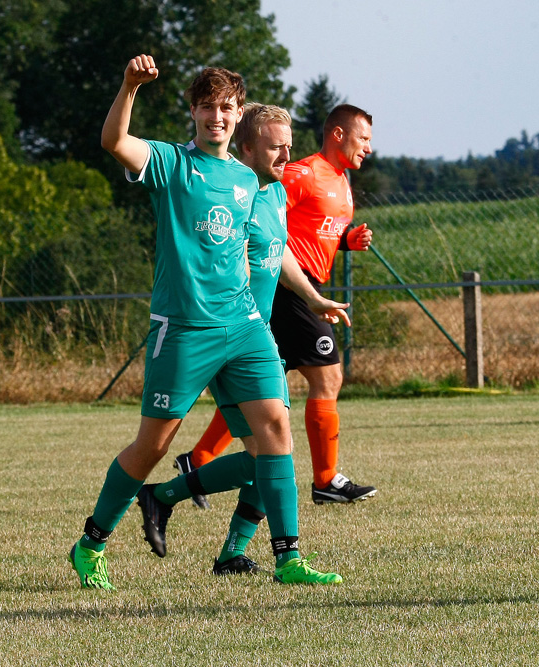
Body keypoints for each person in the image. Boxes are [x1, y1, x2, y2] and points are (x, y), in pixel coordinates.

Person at [68, 55, 343, 590]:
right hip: (185, 330)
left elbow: (270, 248)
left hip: (244, 328)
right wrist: (128, 87)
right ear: (192, 111)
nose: (217, 115)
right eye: (207, 106)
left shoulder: (250, 181)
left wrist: (311, 297)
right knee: (154, 447)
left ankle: (287, 557)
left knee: (275, 433)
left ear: (238, 114)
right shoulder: (172, 163)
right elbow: (113, 142)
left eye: (226, 107)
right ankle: (91, 543)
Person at [143, 102, 352, 575]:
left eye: (289, 147)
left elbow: (278, 256)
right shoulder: (234, 192)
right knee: (273, 450)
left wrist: (313, 298)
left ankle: (218, 540)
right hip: (228, 337)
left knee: (269, 452)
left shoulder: (275, 193)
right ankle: (277, 554)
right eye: (277, 147)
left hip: (254, 338)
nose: (286, 156)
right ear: (246, 146)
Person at [178, 104, 377, 506]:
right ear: (338, 135)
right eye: (364, 138)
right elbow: (261, 221)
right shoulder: (303, 173)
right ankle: (325, 480)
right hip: (285, 286)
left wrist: (345, 241)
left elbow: (303, 228)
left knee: (265, 389)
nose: (369, 148)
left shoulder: (340, 180)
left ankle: (197, 460)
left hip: (302, 285)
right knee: (327, 378)